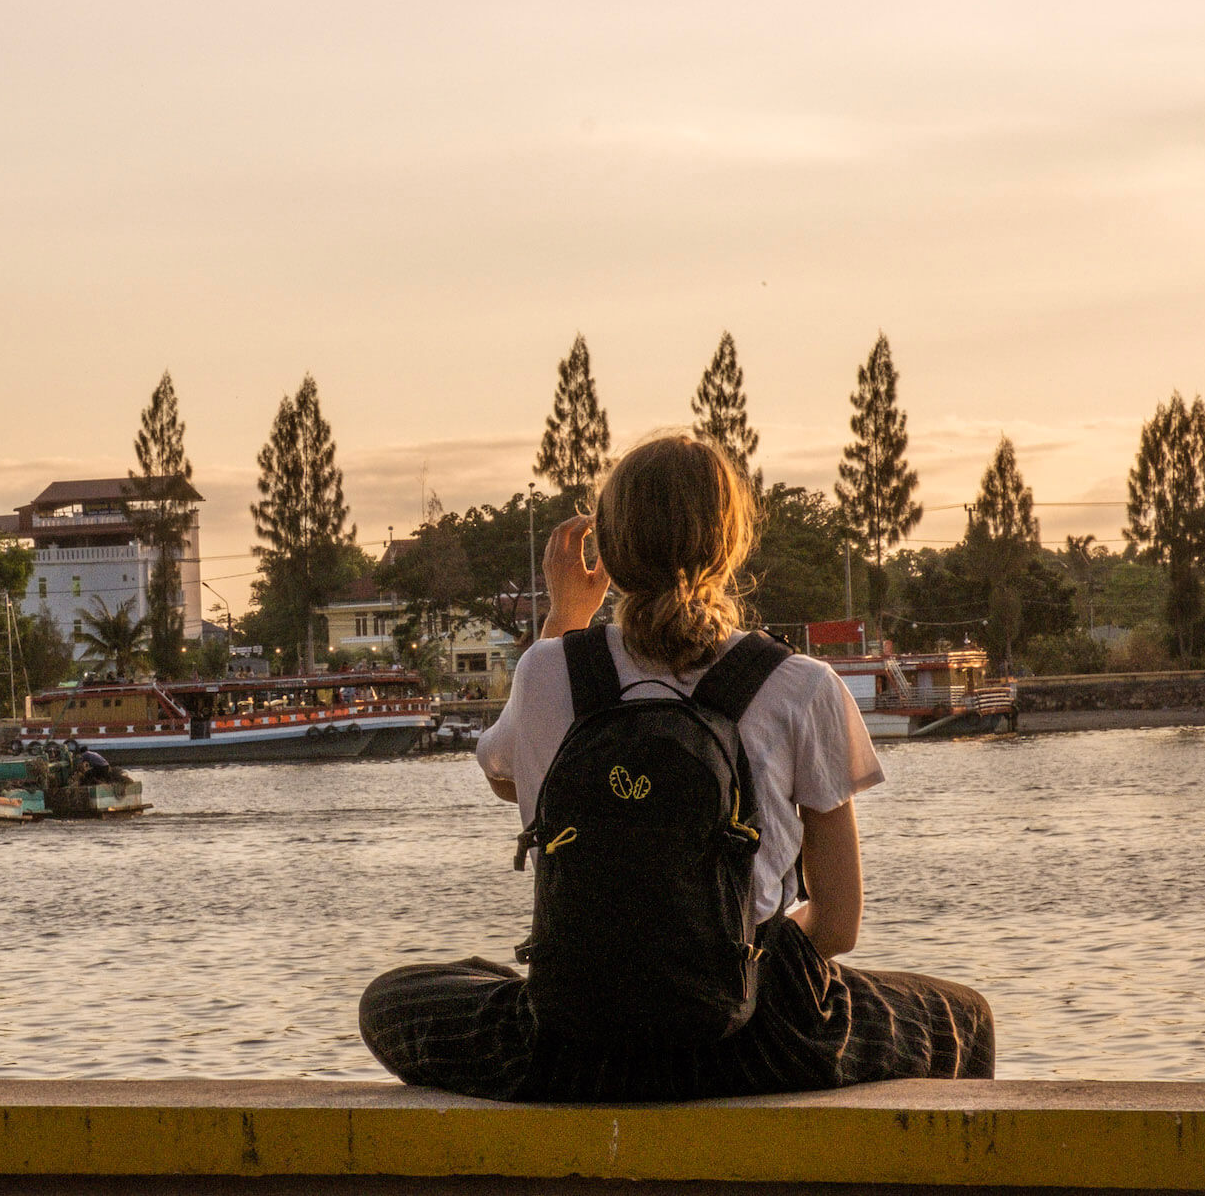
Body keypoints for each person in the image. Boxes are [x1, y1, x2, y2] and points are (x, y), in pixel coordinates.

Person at [358, 433, 993, 1102]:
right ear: (733, 543)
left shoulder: (548, 670)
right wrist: (736, 950)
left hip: (576, 1045)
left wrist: (566, 615)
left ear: (610, 546)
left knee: (392, 999)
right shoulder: (802, 685)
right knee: (966, 1017)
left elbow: (503, 776)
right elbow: (837, 925)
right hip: (761, 1041)